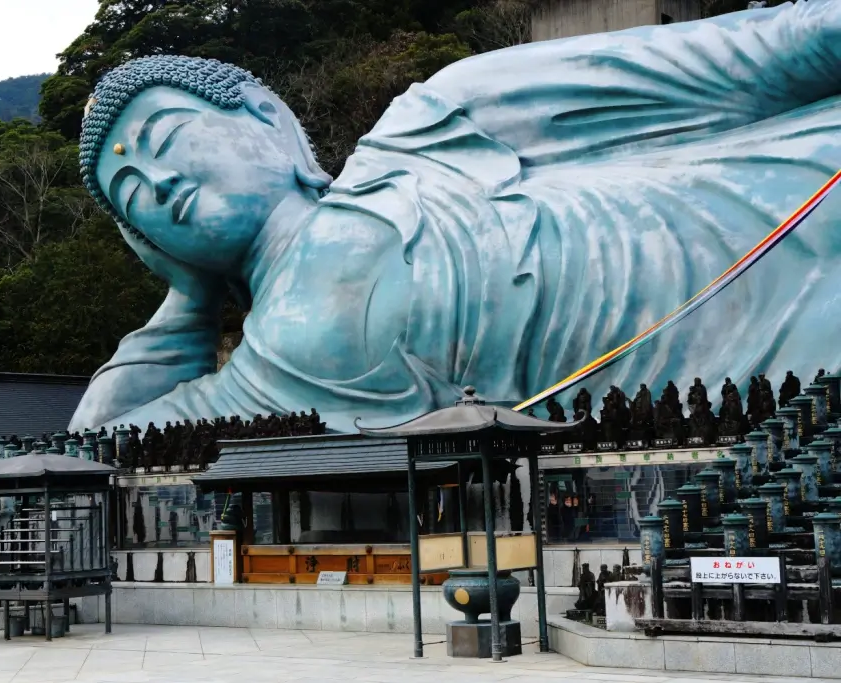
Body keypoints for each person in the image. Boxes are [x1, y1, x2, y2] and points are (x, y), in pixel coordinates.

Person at [69, 2, 841, 434]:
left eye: (168, 139)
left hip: (786, 196)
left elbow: (714, 67)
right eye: (132, 196)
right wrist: (187, 296)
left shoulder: (430, 127)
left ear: (269, 116)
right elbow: (103, 442)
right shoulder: (263, 376)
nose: (159, 181)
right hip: (755, 382)